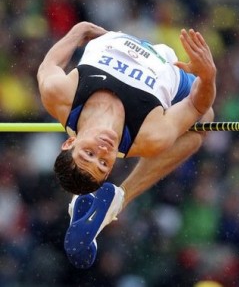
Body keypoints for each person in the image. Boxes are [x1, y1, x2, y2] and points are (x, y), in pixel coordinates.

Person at [37, 21, 216, 268]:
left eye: (88, 153)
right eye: (103, 163)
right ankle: (119, 198)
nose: (102, 151)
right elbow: (197, 105)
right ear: (111, 168)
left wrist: (78, 31)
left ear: (69, 142)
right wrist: (207, 77)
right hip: (166, 65)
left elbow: (49, 65)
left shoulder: (60, 96)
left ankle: (113, 203)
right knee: (205, 119)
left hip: (115, 38)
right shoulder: (150, 134)